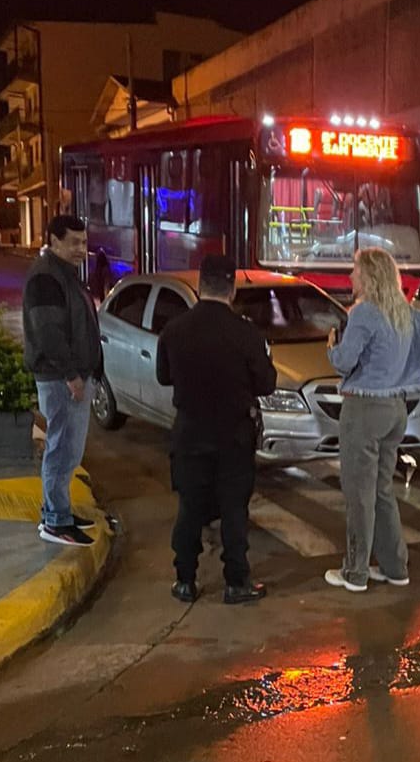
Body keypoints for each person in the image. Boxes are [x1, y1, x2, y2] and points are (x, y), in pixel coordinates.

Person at [324, 248, 420, 592]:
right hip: (396, 409)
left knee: (358, 493)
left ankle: (355, 572)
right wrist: (414, 362)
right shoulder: (404, 312)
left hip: (364, 410)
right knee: (381, 490)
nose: (350, 277)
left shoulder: (364, 312)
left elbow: (345, 362)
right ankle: (395, 567)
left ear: (368, 276)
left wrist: (332, 347)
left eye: (354, 271)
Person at [156, 255, 277, 605]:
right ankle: (236, 582)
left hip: (190, 433)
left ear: (200, 285)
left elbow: (163, 376)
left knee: (190, 508)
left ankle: (185, 580)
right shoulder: (245, 332)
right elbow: (266, 383)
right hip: (233, 437)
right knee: (234, 511)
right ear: (233, 289)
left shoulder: (175, 329)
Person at [22, 215, 102, 547]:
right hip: (61, 380)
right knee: (61, 448)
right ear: (54, 241)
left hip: (70, 377)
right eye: (74, 242)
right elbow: (48, 331)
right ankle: (55, 520)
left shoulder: (64, 275)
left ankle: (60, 511)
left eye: (84, 242)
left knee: (69, 449)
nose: (82, 249)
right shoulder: (46, 277)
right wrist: (71, 374)